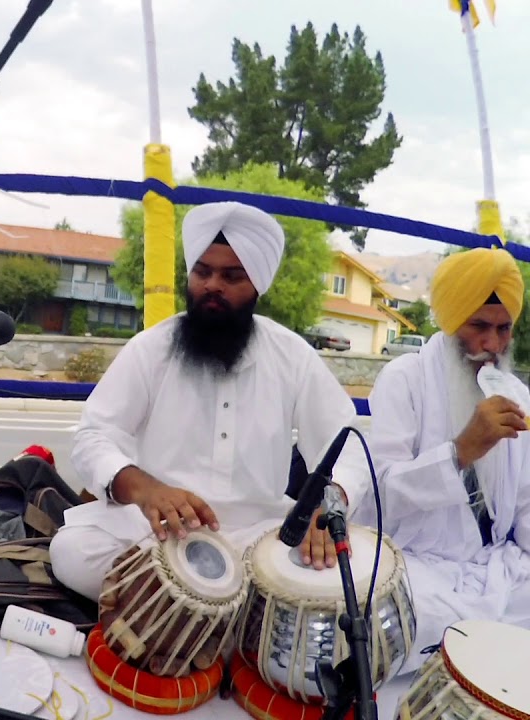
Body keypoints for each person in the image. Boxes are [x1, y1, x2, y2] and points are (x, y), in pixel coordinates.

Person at [49, 201, 372, 601]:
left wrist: (328, 506)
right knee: (73, 552)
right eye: (202, 272)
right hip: (159, 532)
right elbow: (94, 436)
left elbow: (347, 446)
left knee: (354, 574)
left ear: (257, 285)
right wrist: (147, 490)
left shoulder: (292, 356)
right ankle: (226, 615)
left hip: (259, 539)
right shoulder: (151, 349)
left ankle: (178, 608)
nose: (212, 285)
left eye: (231, 276)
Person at [361, 247, 530, 675]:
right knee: (387, 622)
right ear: (451, 320)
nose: (491, 344)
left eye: (503, 329)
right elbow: (380, 497)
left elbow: (526, 503)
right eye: (478, 326)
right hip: (419, 568)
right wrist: (459, 453)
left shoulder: (516, 393)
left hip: (496, 568)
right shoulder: (404, 380)